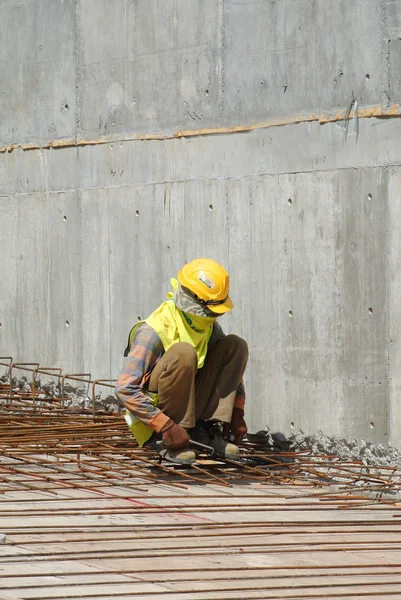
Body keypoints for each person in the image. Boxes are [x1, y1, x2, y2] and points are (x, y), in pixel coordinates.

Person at [115, 258, 248, 464]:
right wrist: (165, 426)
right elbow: (125, 389)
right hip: (158, 421)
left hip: (192, 407)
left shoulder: (207, 327)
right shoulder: (153, 331)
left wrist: (237, 410)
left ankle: (203, 429)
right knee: (184, 353)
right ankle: (167, 437)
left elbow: (227, 369)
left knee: (235, 346)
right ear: (194, 300)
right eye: (211, 309)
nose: (213, 316)